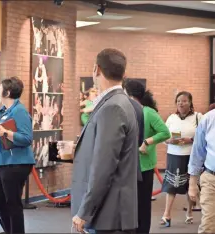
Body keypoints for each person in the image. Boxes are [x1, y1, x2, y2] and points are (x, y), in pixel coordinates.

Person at [71, 48, 139, 234]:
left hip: (107, 215)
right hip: (108, 212)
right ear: (124, 73)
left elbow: (104, 166)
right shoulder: (116, 102)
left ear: (96, 69)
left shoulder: (113, 107)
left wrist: (84, 211)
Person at [0, 76, 35, 234]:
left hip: (17, 163)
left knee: (12, 202)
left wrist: (6, 133)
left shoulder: (19, 111)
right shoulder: (2, 112)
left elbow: (27, 138)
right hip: (2, 162)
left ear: (7, 92)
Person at [124, 79, 171, 234]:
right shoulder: (126, 110)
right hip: (128, 166)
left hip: (144, 167)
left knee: (143, 205)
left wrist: (147, 141)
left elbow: (165, 132)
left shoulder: (148, 112)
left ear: (129, 94)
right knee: (129, 205)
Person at [161, 91, 202, 227]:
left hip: (192, 156)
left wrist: (190, 139)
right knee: (171, 186)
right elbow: (163, 137)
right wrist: (169, 140)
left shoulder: (198, 117)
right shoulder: (172, 118)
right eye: (178, 101)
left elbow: (204, 136)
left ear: (190, 103)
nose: (181, 103)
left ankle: (189, 212)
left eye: (184, 100)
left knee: (191, 185)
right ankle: (167, 215)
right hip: (174, 155)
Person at [188, 109, 215, 233]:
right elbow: (197, 153)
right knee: (208, 226)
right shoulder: (208, 119)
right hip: (211, 180)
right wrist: (192, 184)